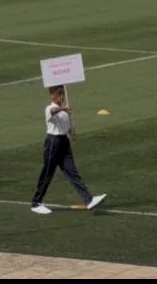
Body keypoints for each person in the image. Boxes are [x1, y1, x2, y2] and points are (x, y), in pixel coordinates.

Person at [29, 85, 107, 215]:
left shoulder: (65, 112)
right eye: (59, 93)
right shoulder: (50, 108)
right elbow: (53, 111)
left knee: (72, 172)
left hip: (64, 142)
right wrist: (63, 109)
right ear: (53, 95)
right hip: (53, 142)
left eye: (62, 93)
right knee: (47, 173)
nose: (62, 96)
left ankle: (89, 199)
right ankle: (36, 203)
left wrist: (72, 132)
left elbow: (68, 129)